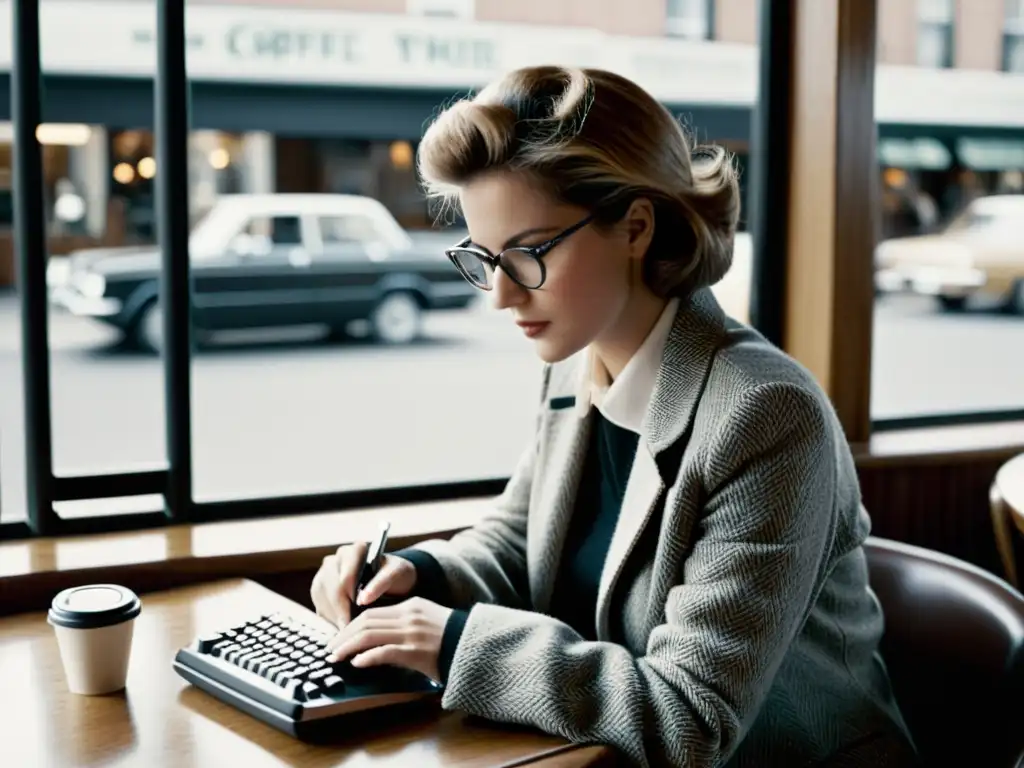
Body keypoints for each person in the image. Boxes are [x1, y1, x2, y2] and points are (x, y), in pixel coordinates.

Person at [310, 66, 920, 767]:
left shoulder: (766, 417)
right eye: (484, 258)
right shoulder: (577, 363)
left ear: (635, 226)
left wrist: (452, 642)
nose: (501, 298)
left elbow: (690, 720)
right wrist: (417, 576)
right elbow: (520, 540)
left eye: (530, 253)